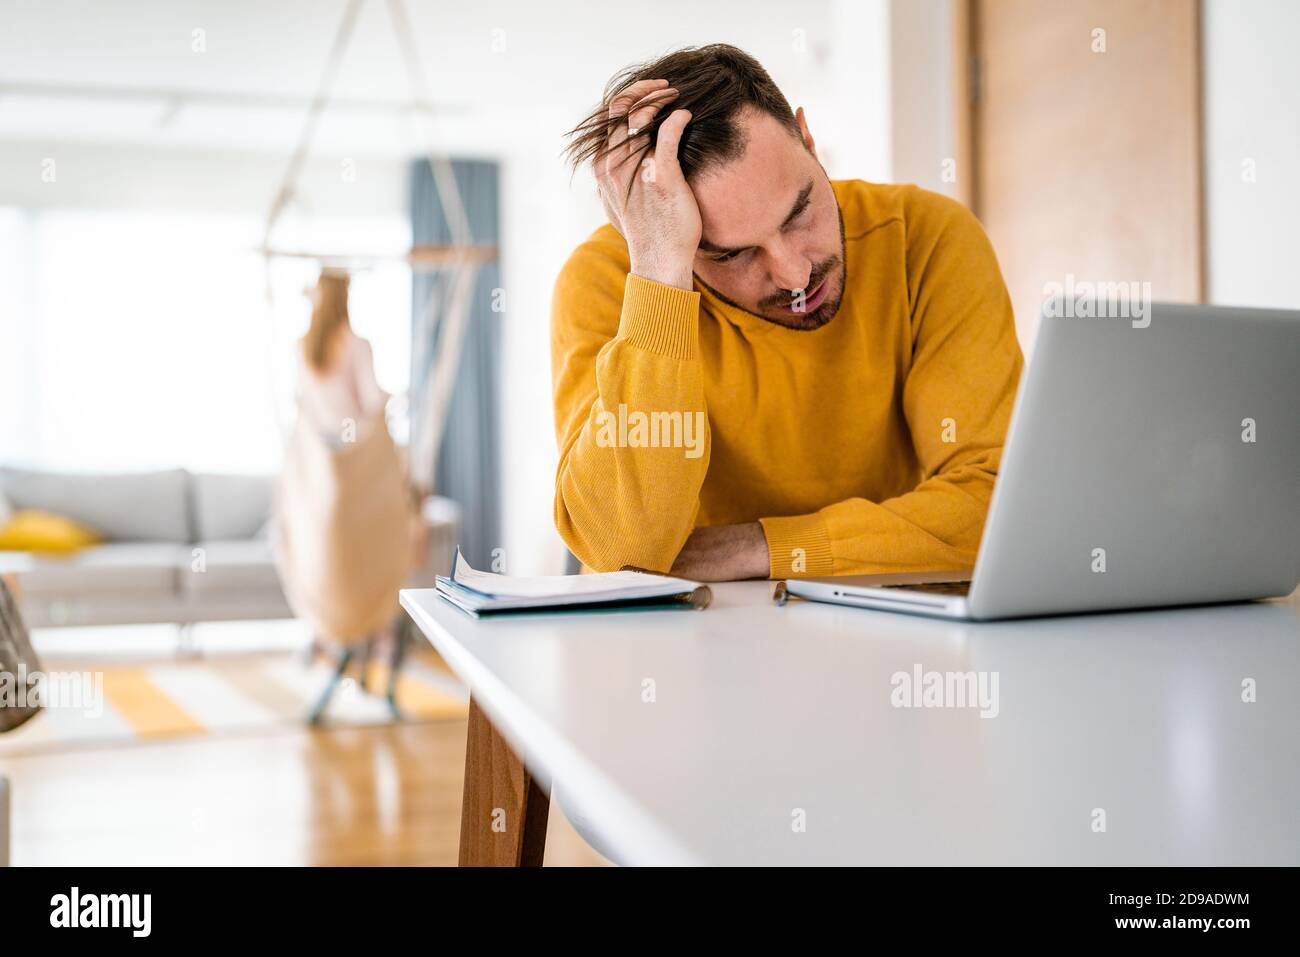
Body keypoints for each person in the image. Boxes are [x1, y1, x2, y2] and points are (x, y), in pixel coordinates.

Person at [552, 44, 1024, 582]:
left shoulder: (926, 238)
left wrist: (761, 548)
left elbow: (999, 507)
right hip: (681, 646)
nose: (795, 275)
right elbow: (623, 552)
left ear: (808, 138)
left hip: (891, 631)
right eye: (730, 253)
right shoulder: (604, 283)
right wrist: (662, 273)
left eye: (800, 211)